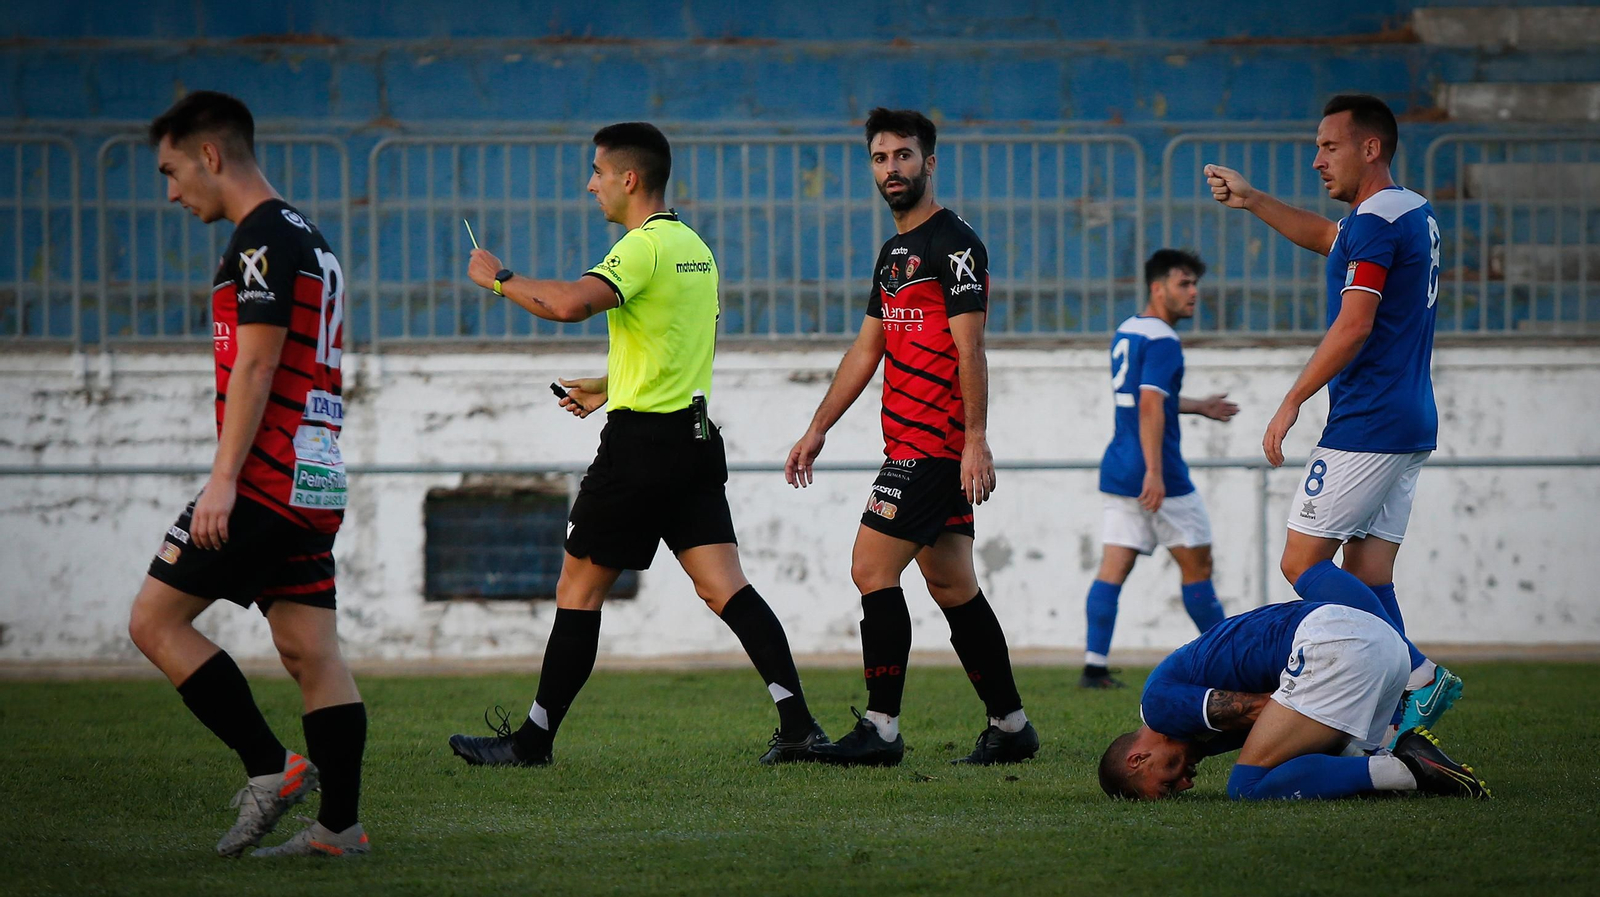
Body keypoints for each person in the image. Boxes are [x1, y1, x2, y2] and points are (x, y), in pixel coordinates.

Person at [447, 122, 827, 768]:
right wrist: (608, 385)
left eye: (596, 171)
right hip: (694, 439)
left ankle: (532, 741)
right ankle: (798, 723)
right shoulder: (694, 248)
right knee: (724, 586)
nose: (588, 183)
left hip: (641, 448)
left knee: (578, 586)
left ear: (630, 179)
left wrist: (498, 277)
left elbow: (570, 305)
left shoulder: (641, 248)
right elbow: (675, 347)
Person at [128, 91, 369, 857]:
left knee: (154, 621)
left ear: (210, 154)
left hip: (264, 477)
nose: (170, 191)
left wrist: (223, 477)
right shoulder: (309, 234)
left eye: (171, 170)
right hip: (315, 474)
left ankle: (272, 766)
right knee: (309, 650)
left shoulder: (260, 238)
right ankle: (340, 828)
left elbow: (260, 360)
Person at [784, 108, 1038, 767]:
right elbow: (867, 349)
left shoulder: (953, 244)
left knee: (870, 568)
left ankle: (881, 728)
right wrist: (817, 428)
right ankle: (1011, 725)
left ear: (930, 162)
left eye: (903, 155)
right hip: (906, 442)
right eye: (879, 157)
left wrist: (975, 439)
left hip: (935, 444)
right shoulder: (895, 252)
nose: (890, 168)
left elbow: (971, 348)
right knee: (952, 584)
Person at [1204, 94, 1460, 741]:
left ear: (1370, 147)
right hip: (1409, 421)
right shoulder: (1410, 213)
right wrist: (1254, 199)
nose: (1317, 159)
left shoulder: (1375, 222)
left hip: (1367, 420)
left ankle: (1416, 674)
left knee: (1299, 560)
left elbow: (1356, 320)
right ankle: (1389, 720)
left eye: (1329, 146)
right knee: (1367, 574)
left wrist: (1292, 399)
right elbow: (1327, 237)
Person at [1097, 598, 1490, 801]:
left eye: (1168, 784)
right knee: (1342, 765)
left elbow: (1263, 707)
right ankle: (1394, 761)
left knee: (1247, 785)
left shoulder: (1160, 709)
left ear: (1138, 759)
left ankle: (1407, 769)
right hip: (1381, 644)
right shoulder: (1194, 732)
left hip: (1333, 645)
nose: (1185, 785)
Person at [1080, 249, 1239, 690]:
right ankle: (1227, 663)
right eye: (1184, 284)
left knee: (1113, 567)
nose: (1194, 293)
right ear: (1157, 287)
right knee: (1198, 566)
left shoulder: (1128, 330)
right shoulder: (1165, 341)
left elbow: (1144, 397)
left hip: (1119, 467)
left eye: (1194, 284)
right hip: (1159, 473)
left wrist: (1198, 406)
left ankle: (1094, 666)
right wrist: (1155, 472)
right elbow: (1150, 404)